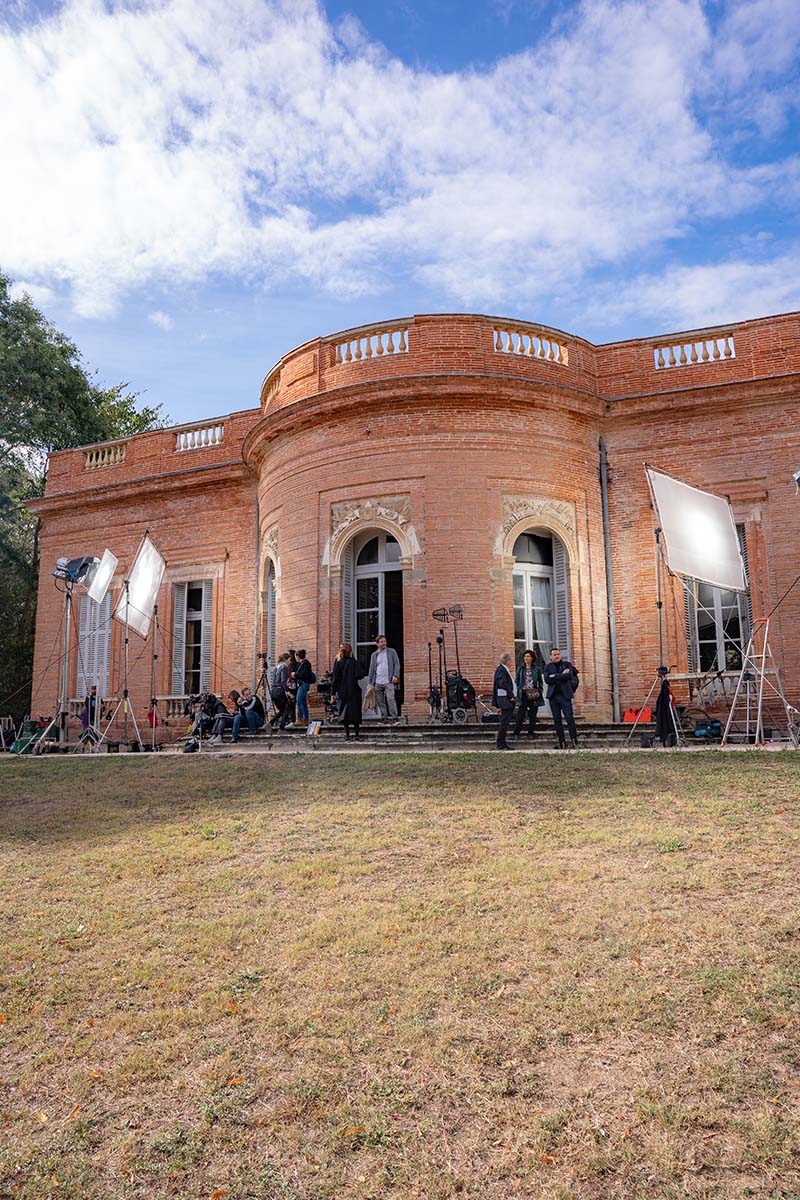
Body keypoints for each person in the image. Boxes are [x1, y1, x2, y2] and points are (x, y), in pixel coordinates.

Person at [543, 647, 579, 749]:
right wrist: (560, 675)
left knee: (569, 718)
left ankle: (574, 741)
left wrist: (554, 676)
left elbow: (568, 676)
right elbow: (547, 680)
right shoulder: (548, 667)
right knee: (557, 720)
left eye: (558, 654)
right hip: (553, 697)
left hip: (565, 696)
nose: (557, 656)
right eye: (554, 654)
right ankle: (562, 743)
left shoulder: (567, 665)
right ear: (551, 657)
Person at [331, 643, 365, 739]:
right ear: (350, 652)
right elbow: (360, 675)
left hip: (343, 691)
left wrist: (333, 693)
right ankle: (357, 734)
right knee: (355, 712)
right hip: (354, 690)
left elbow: (335, 679)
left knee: (344, 713)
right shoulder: (354, 662)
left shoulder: (338, 663)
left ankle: (347, 735)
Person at [368, 634, 401, 720]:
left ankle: (394, 718)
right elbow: (371, 669)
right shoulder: (374, 655)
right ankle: (384, 718)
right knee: (380, 701)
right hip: (377, 682)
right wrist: (370, 683)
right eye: (382, 642)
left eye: (385, 641)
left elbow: (397, 664)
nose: (384, 643)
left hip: (389, 680)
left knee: (390, 699)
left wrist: (395, 675)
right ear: (377, 644)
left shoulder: (391, 652)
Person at [514, 649, 544, 739]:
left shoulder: (536, 669)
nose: (525, 658)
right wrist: (519, 688)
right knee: (521, 714)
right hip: (523, 693)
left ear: (532, 658)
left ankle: (530, 733)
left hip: (533, 694)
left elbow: (540, 681)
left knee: (532, 714)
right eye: (525, 656)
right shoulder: (520, 668)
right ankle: (516, 732)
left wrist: (539, 690)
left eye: (528, 656)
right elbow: (517, 680)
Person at [492, 651, 516, 750]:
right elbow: (503, 684)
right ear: (507, 660)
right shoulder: (502, 670)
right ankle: (500, 744)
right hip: (505, 700)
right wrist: (510, 695)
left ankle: (502, 743)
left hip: (505, 699)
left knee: (505, 722)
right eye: (510, 660)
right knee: (504, 722)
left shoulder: (503, 669)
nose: (511, 662)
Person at [294, 649, 315, 727]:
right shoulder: (303, 663)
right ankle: (305, 719)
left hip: (304, 684)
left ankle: (301, 719)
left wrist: (295, 674)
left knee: (298, 700)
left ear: (298, 656)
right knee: (303, 702)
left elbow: (304, 675)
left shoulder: (305, 663)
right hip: (303, 684)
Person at [270, 652, 291, 728]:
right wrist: (288, 692)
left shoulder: (276, 667)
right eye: (289, 660)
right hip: (279, 690)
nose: (290, 662)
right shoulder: (284, 667)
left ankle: (270, 723)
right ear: (285, 659)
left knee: (282, 710)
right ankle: (281, 728)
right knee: (286, 709)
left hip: (273, 690)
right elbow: (283, 681)